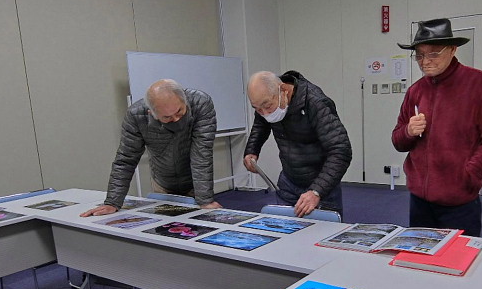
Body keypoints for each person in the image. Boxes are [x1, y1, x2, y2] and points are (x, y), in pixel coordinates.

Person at [392, 19, 482, 237]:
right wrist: (408, 131)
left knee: (458, 257)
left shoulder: (480, 84)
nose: (425, 62)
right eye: (419, 55)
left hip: (459, 201)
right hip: (419, 200)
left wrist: (469, 173)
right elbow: (398, 140)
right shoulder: (415, 91)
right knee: (420, 254)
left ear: (453, 50)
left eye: (433, 54)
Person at [81, 79, 222, 217]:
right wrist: (112, 202)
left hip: (195, 183)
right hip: (162, 183)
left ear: (184, 100)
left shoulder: (200, 103)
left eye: (179, 111)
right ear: (152, 114)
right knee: (165, 226)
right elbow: (126, 160)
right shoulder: (136, 116)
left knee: (199, 224)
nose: (176, 119)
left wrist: (205, 200)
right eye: (167, 117)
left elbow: (201, 154)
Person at [244, 70, 352, 218]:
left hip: (321, 183)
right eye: (257, 109)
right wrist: (252, 150)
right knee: (284, 228)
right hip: (289, 180)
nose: (264, 113)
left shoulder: (315, 102)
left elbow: (341, 150)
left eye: (267, 106)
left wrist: (317, 191)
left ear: (284, 90)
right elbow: (260, 125)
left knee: (322, 231)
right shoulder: (266, 100)